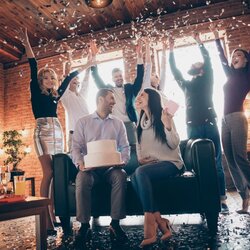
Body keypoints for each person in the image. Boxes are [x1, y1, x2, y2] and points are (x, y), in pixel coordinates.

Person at [19, 28, 91, 235]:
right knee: (48, 172)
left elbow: (70, 77)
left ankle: (53, 216)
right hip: (41, 131)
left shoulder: (56, 95)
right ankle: (45, 219)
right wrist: (26, 43)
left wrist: (88, 64)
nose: (50, 80)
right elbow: (33, 65)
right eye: (47, 77)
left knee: (57, 174)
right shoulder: (35, 89)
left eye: (52, 77)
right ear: (41, 80)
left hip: (57, 131)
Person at [169, 33, 229, 214]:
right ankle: (203, 198)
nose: (195, 65)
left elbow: (208, 61)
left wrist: (199, 42)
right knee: (196, 164)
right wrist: (170, 50)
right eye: (193, 65)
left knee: (216, 162)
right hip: (192, 126)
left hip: (209, 124)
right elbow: (175, 71)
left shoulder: (207, 79)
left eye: (198, 64)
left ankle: (221, 199)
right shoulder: (186, 85)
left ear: (202, 69)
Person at [71, 88, 130, 243]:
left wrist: (123, 160)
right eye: (111, 98)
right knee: (81, 178)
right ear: (100, 100)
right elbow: (76, 147)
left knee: (121, 175)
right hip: (90, 170)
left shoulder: (118, 123)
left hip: (111, 169)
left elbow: (125, 147)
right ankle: (84, 225)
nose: (114, 102)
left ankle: (115, 224)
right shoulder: (83, 122)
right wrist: (80, 163)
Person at [131, 88, 184, 247]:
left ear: (152, 98)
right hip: (152, 166)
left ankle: (150, 226)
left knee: (139, 173)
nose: (138, 97)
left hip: (171, 163)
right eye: (138, 95)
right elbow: (139, 150)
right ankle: (161, 222)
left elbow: (174, 144)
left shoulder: (164, 115)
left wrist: (167, 125)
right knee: (135, 174)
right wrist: (142, 160)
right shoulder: (139, 124)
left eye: (142, 95)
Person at [210, 23, 250, 213]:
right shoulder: (230, 73)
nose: (235, 57)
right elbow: (221, 59)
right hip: (224, 120)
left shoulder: (247, 76)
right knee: (231, 160)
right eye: (234, 55)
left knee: (240, 158)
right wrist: (216, 37)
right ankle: (245, 197)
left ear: (246, 60)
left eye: (239, 55)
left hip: (238, 118)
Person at [90, 40, 144, 146]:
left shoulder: (130, 89)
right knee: (117, 150)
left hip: (129, 123)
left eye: (120, 76)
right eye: (116, 77)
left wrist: (139, 56)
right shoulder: (108, 91)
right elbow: (96, 77)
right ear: (113, 79)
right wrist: (94, 57)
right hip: (114, 124)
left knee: (133, 148)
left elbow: (140, 77)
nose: (118, 78)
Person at [61, 47, 94, 152]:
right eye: (72, 79)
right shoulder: (65, 96)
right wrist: (69, 57)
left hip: (89, 132)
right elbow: (67, 75)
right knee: (76, 161)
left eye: (76, 78)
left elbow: (86, 79)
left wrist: (89, 60)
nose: (74, 79)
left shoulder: (82, 95)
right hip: (75, 133)